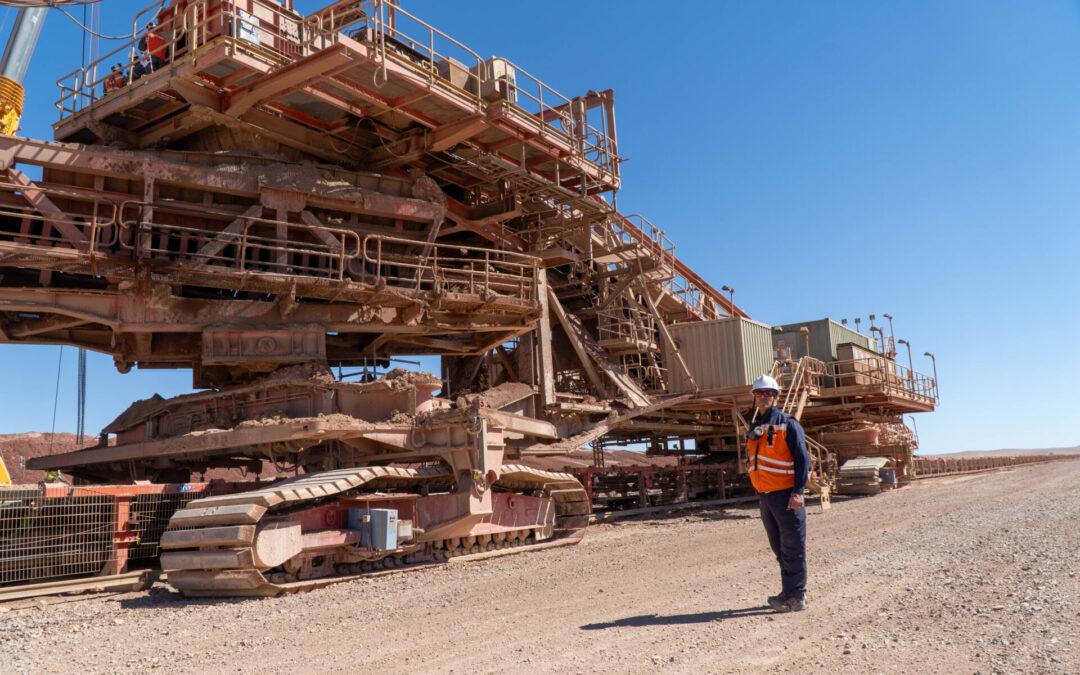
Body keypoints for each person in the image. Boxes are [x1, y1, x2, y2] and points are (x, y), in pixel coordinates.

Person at [746, 374, 810, 612]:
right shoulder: (756, 427)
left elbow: (803, 460)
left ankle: (796, 596)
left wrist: (798, 492)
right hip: (766, 495)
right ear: (755, 397)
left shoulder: (788, 424)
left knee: (793, 546)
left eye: (767, 394)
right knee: (779, 547)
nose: (763, 398)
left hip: (786, 495)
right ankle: (788, 591)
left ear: (775, 397)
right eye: (759, 394)